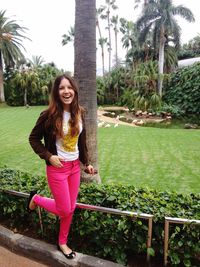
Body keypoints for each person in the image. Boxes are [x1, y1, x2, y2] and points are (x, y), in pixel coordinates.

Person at [28, 73, 95, 259]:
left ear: (74, 90)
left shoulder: (80, 112)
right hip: (57, 168)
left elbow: (82, 142)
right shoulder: (48, 115)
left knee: (70, 208)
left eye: (69, 87)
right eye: (61, 88)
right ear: (56, 93)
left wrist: (87, 163)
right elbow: (33, 139)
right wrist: (49, 157)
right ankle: (37, 199)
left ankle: (63, 242)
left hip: (74, 168)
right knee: (64, 209)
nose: (66, 91)